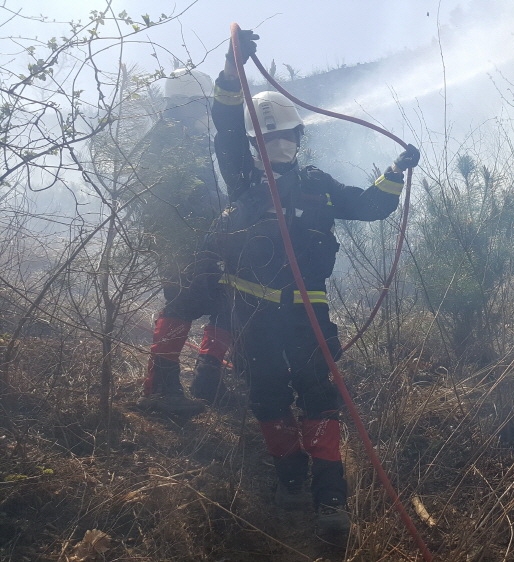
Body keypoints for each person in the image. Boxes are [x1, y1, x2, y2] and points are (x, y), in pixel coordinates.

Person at [208, 30, 420, 540]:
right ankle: (289, 481)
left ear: (300, 141)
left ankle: (330, 501)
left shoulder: (319, 186)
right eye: (268, 138)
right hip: (255, 320)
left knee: (321, 398)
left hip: (308, 317)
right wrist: (231, 72)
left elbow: (371, 207)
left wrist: (395, 170)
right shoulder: (243, 181)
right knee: (268, 399)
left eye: (287, 137)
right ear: (256, 144)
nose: (277, 145)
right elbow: (225, 130)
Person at [135, 68, 233, 417]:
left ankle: (208, 379)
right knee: (182, 302)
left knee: (226, 298)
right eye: (203, 104)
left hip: (201, 237)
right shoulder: (167, 137)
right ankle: (160, 388)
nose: (206, 111)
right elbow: (163, 191)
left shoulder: (190, 137)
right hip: (179, 239)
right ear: (185, 102)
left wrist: (226, 209)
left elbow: (204, 191)